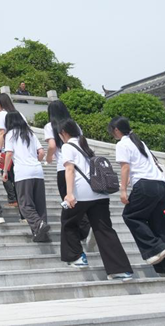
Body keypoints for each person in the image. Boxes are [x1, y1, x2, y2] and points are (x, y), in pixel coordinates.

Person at [109, 117, 165, 278]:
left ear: (116, 130)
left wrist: (123, 191)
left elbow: (125, 167)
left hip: (145, 186)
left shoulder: (122, 144)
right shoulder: (139, 142)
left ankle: (156, 247)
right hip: (162, 186)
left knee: (131, 216)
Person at [59, 119, 134, 281]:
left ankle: (77, 257)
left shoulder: (67, 146)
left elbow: (70, 170)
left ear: (64, 133)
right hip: (100, 194)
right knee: (104, 229)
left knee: (68, 222)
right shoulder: (84, 144)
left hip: (82, 193)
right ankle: (120, 270)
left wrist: (69, 194)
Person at [45, 100, 92, 255]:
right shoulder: (74, 125)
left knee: (70, 203)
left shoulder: (50, 126)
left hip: (64, 167)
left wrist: (49, 158)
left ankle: (84, 230)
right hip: (82, 168)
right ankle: (87, 228)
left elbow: (52, 145)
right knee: (81, 200)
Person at [2, 112, 49, 242]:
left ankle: (38, 224)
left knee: (24, 204)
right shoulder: (30, 133)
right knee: (40, 205)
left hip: (23, 173)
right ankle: (41, 234)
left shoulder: (10, 134)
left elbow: (9, 154)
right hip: (37, 171)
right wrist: (35, 161)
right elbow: (41, 152)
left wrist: (5, 171)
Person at [0, 93, 20, 208]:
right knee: (16, 174)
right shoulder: (17, 113)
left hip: (6, 148)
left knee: (5, 174)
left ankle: (13, 199)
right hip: (19, 149)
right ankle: (20, 197)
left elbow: (1, 133)